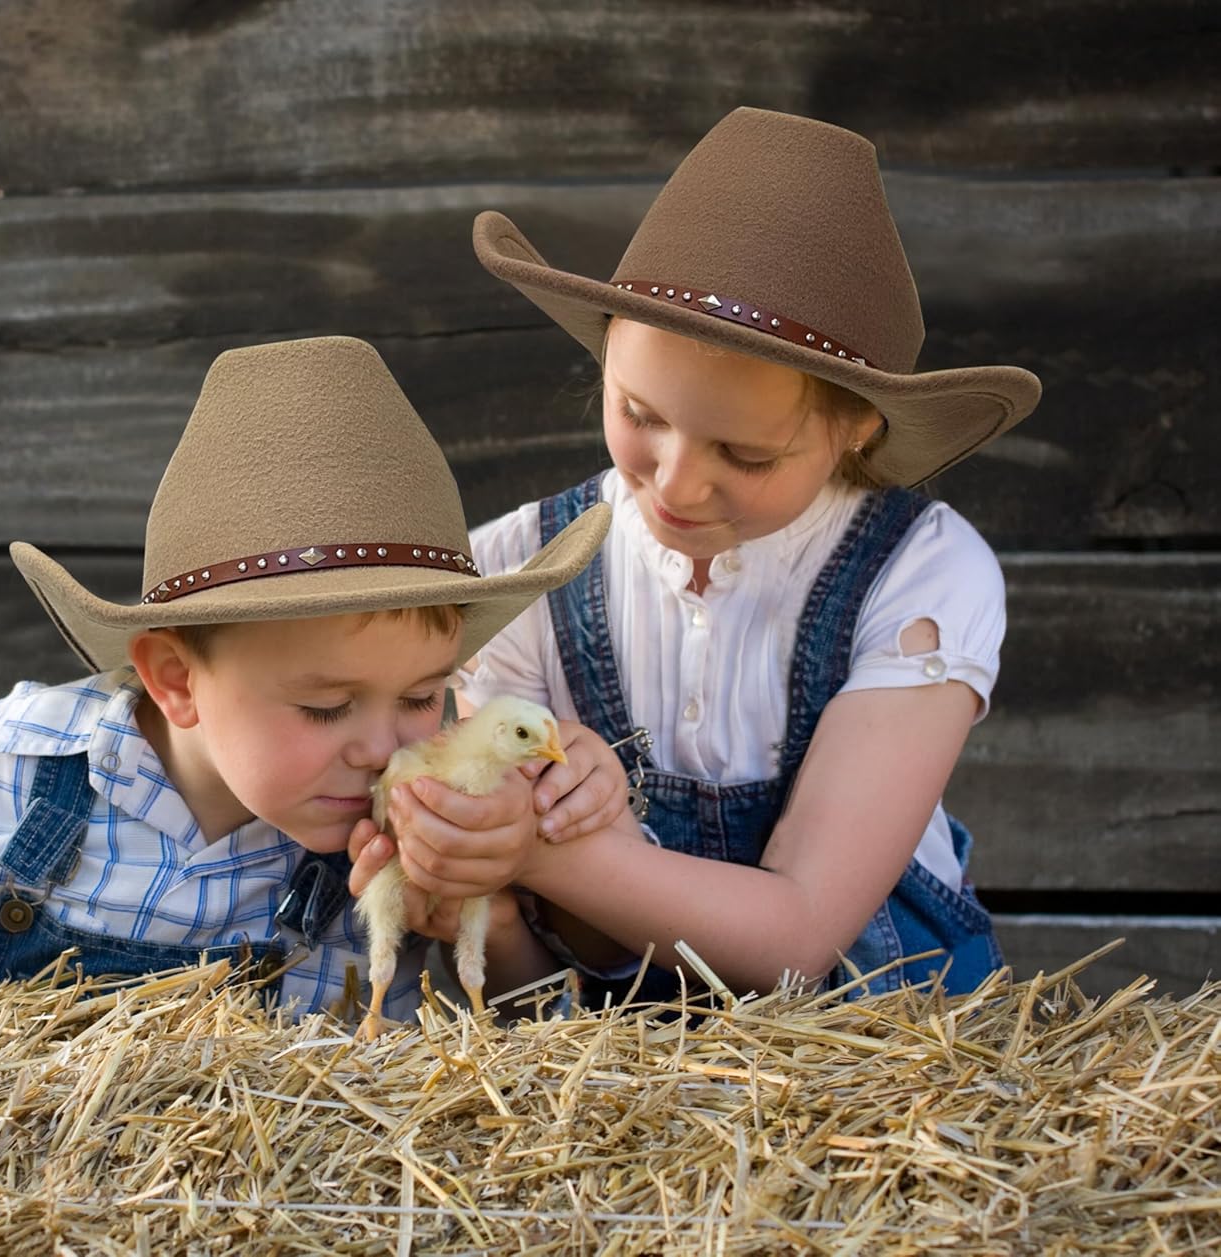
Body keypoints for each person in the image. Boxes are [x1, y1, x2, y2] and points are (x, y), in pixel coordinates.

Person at [0, 336, 611, 1063]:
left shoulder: (423, 811)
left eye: (425, 695)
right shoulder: (32, 762)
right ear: (175, 679)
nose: (384, 746)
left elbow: (533, 1046)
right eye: (323, 707)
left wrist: (489, 908)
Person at [353, 107, 1042, 1003]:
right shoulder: (520, 568)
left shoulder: (922, 576)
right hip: (622, 1071)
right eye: (640, 415)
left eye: (745, 455)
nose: (675, 485)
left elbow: (798, 938)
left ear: (854, 431)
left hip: (881, 1056)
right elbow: (536, 960)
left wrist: (534, 844)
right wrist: (465, 847)